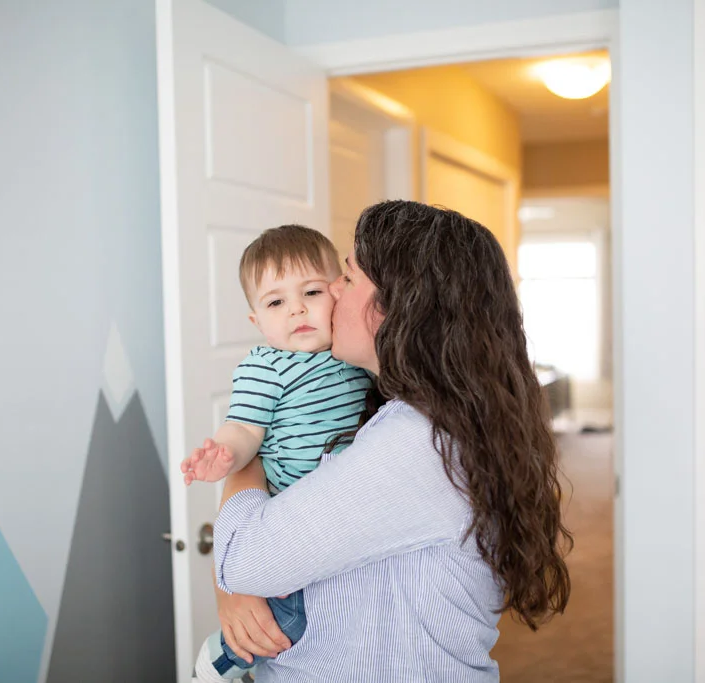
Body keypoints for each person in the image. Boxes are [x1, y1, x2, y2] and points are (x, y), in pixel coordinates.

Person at [190, 200, 573, 682]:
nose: (331, 289)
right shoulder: (399, 411)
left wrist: (251, 452)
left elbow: (243, 560)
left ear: (401, 305)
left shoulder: (417, 444)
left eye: (348, 278)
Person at [181, 224, 373, 681]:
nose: (297, 309)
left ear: (338, 292)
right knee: (290, 614)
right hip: (288, 511)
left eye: (311, 292)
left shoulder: (353, 357)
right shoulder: (266, 366)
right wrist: (224, 454)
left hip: (340, 510)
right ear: (257, 322)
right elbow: (244, 427)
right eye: (275, 303)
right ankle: (221, 658)